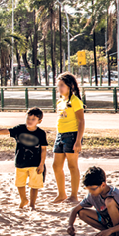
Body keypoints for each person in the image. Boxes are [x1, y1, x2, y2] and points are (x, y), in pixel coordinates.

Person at [0, 107, 48, 210]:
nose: (30, 121)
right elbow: (7, 131)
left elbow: (44, 150)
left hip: (35, 163)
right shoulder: (20, 129)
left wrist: (41, 164)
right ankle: (23, 199)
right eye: (28, 118)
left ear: (39, 121)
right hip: (20, 162)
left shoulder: (41, 133)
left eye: (33, 119)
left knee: (34, 185)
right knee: (19, 183)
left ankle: (32, 204)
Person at [67, 166, 119, 236]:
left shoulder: (117, 194)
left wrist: (110, 230)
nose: (90, 192)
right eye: (88, 189)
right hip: (110, 224)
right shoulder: (92, 195)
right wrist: (70, 225)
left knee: (109, 201)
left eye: (92, 189)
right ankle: (109, 233)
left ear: (103, 185)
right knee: (82, 213)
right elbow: (74, 209)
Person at [52, 72, 85, 205]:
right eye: (58, 86)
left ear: (70, 86)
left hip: (72, 135)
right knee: (56, 166)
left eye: (62, 85)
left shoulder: (75, 101)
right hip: (60, 135)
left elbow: (81, 121)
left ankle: (74, 195)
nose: (59, 88)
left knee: (72, 166)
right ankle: (61, 194)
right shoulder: (60, 101)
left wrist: (78, 141)